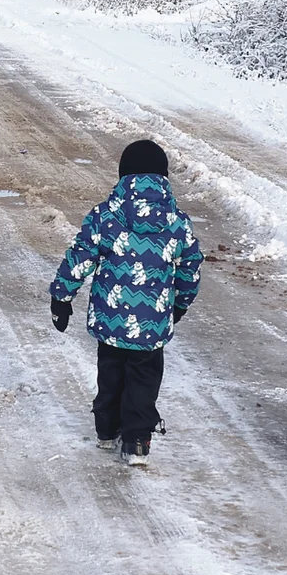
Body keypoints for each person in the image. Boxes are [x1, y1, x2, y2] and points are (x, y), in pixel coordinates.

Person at [49, 140, 204, 467]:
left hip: (111, 320)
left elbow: (80, 258)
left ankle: (107, 431)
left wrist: (62, 297)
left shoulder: (105, 216)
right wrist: (180, 304)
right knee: (143, 380)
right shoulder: (177, 222)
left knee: (111, 373)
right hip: (152, 324)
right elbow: (191, 266)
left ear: (123, 175)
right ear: (164, 177)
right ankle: (136, 441)